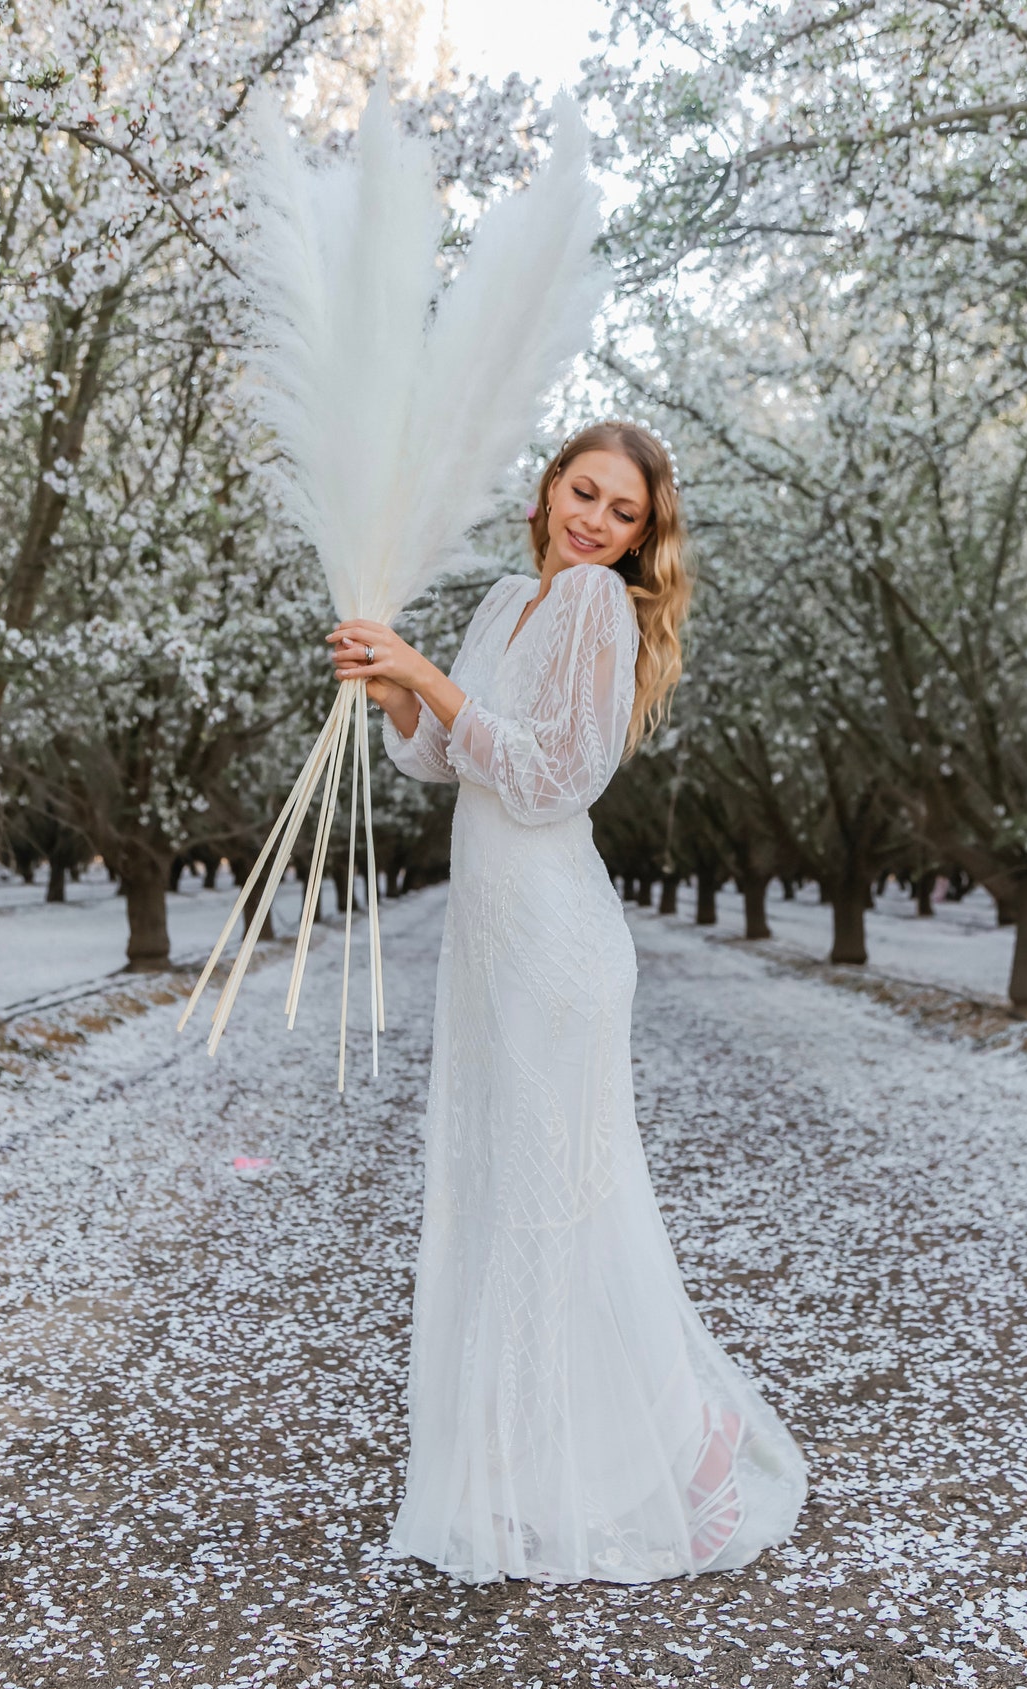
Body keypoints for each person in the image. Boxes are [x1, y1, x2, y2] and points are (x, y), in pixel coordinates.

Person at [325, 419, 807, 1584]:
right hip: (494, 945)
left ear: (643, 539)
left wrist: (426, 673)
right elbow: (448, 760)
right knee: (509, 1203)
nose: (593, 520)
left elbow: (552, 778)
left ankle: (685, 1445)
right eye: (581, 493)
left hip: (554, 944)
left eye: (622, 512)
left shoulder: (596, 609)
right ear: (545, 492)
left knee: (558, 1208)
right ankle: (543, 1466)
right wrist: (392, 686)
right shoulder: (505, 603)